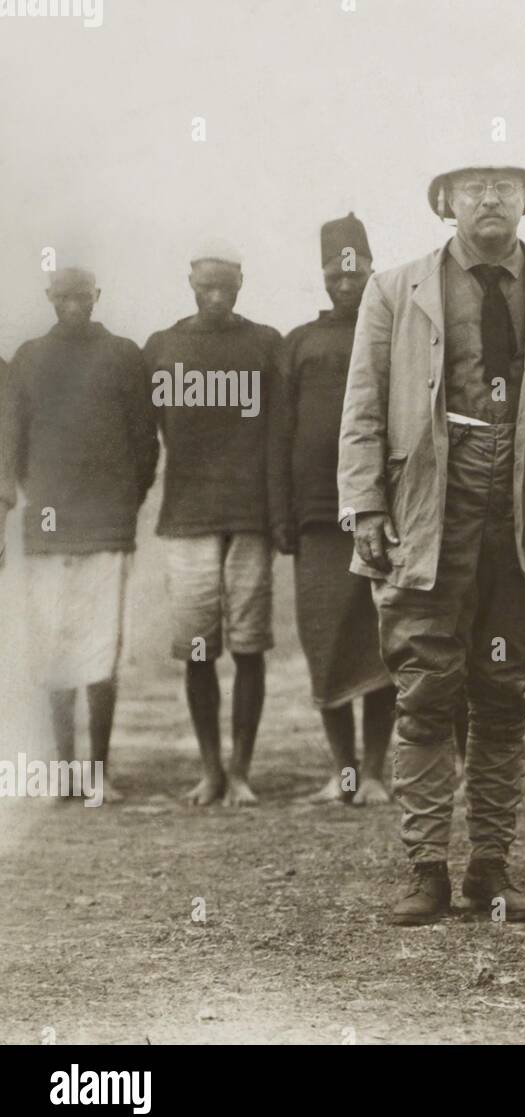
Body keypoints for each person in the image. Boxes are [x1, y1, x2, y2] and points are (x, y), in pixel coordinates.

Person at [339, 160, 525, 924]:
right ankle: (425, 871)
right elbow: (363, 406)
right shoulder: (395, 291)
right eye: (473, 186)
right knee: (425, 693)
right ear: (444, 201)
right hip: (430, 517)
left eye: (506, 185)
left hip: (523, 525)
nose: (491, 198)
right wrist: (366, 507)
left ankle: (491, 870)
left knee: (501, 698)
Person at [0, 267, 157, 801]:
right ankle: (67, 772)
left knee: (102, 651)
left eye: (82, 295)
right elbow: (13, 442)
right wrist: (42, 497)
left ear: (98, 296)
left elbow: (144, 444)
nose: (73, 304)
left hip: (107, 531)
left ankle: (99, 772)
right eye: (62, 296)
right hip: (48, 533)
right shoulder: (28, 358)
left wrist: (119, 506)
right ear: (49, 298)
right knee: (54, 648)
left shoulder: (122, 355)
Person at [143, 241, 290, 806]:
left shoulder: (264, 344)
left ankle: (242, 770)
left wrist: (280, 515)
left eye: (226, 284)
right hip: (187, 519)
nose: (216, 294)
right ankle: (210, 770)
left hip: (250, 518)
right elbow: (140, 433)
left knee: (250, 646)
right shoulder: (162, 347)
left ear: (241, 284)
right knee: (199, 649)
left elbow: (281, 434)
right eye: (206, 284)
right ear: (190, 283)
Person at [283, 213, 396, 805]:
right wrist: (285, 515)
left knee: (381, 640)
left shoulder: (393, 330)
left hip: (378, 511)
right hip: (317, 520)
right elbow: (280, 432)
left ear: (370, 269)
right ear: (324, 276)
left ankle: (375, 772)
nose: (345, 282)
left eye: (355, 270)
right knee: (324, 640)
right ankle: (343, 771)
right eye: (335, 272)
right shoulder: (300, 342)